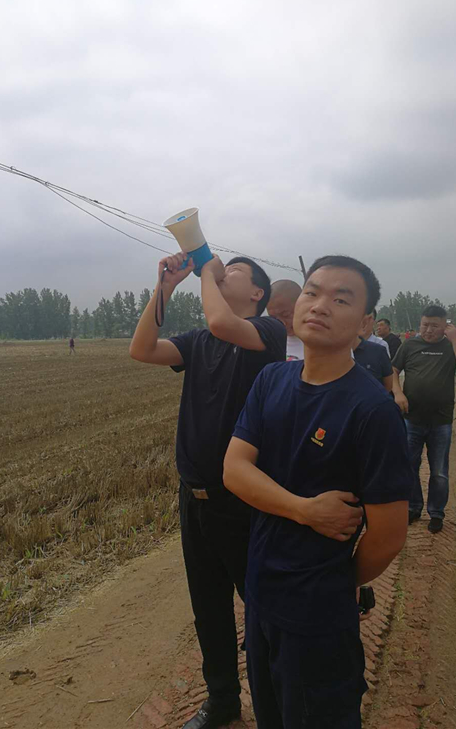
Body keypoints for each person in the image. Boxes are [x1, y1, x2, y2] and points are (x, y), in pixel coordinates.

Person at [129, 252, 363, 729]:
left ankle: (278, 704)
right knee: (208, 608)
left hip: (244, 500)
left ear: (257, 293)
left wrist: (205, 270)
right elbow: (142, 349)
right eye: (223, 270)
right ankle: (222, 699)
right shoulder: (199, 342)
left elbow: (221, 319)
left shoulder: (267, 333)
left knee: (263, 609)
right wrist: (165, 288)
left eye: (234, 272)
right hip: (194, 498)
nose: (222, 274)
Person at [224, 255, 412, 729]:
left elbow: (389, 536)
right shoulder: (272, 380)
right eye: (312, 292)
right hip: (260, 595)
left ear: (365, 324)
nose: (320, 305)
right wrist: (304, 510)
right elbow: (234, 470)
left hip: (318, 618)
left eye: (341, 299)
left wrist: (333, 583)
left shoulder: (373, 411)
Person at [391, 306, 456, 534]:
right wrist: (397, 392)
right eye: (425, 325)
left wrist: (455, 340)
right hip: (412, 419)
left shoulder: (450, 346)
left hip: (441, 421)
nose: (428, 330)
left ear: (445, 326)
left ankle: (436, 512)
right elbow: (393, 370)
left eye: (434, 326)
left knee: (439, 472)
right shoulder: (409, 345)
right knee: (409, 466)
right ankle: (413, 507)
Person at [267, 279, 304, 360]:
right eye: (274, 318)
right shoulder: (271, 344)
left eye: (286, 315)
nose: (282, 323)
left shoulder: (323, 340)